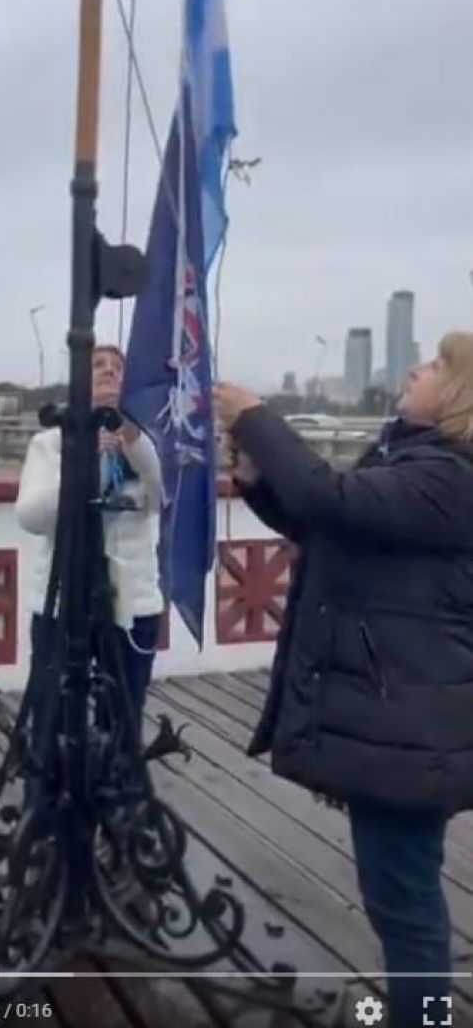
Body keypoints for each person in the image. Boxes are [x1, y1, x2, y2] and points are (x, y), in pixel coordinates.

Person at [213, 331, 473, 1028]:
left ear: (456, 394)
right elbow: (328, 518)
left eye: (434, 364)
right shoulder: (414, 460)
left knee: (405, 900)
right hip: (395, 712)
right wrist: (260, 482)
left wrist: (254, 418)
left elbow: (330, 498)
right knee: (395, 890)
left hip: (409, 719)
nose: (415, 367)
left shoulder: (452, 475)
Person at [15, 344, 163, 737]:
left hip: (132, 599)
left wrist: (130, 439)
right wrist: (80, 463)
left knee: (125, 708)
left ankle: (118, 786)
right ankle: (50, 785)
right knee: (55, 707)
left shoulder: (145, 441)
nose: (108, 371)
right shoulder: (49, 444)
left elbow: (163, 496)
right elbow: (31, 516)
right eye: (97, 365)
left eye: (117, 367)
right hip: (64, 598)